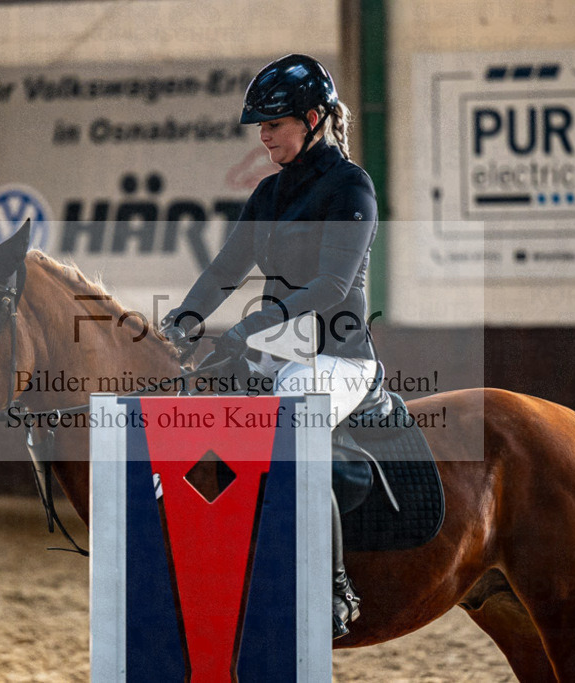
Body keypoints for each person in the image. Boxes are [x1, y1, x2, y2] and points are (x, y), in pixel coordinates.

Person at [160, 54, 380, 639]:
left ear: (313, 119)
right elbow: (225, 271)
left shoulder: (351, 186)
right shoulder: (268, 192)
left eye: (274, 123)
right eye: (259, 125)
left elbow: (333, 285)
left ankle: (335, 586)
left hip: (338, 355)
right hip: (279, 347)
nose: (263, 135)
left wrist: (252, 329)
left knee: (291, 431)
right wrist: (181, 322)